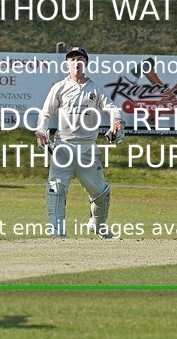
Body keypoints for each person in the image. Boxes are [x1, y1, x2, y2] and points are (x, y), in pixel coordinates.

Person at [35, 47, 124, 238]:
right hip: (63, 146)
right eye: (73, 59)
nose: (76, 63)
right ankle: (56, 232)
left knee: (101, 193)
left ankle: (98, 225)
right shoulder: (59, 87)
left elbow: (112, 108)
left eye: (80, 59)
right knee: (56, 188)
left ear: (86, 63)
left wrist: (117, 122)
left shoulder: (95, 90)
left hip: (88, 148)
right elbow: (46, 112)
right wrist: (41, 131)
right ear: (67, 63)